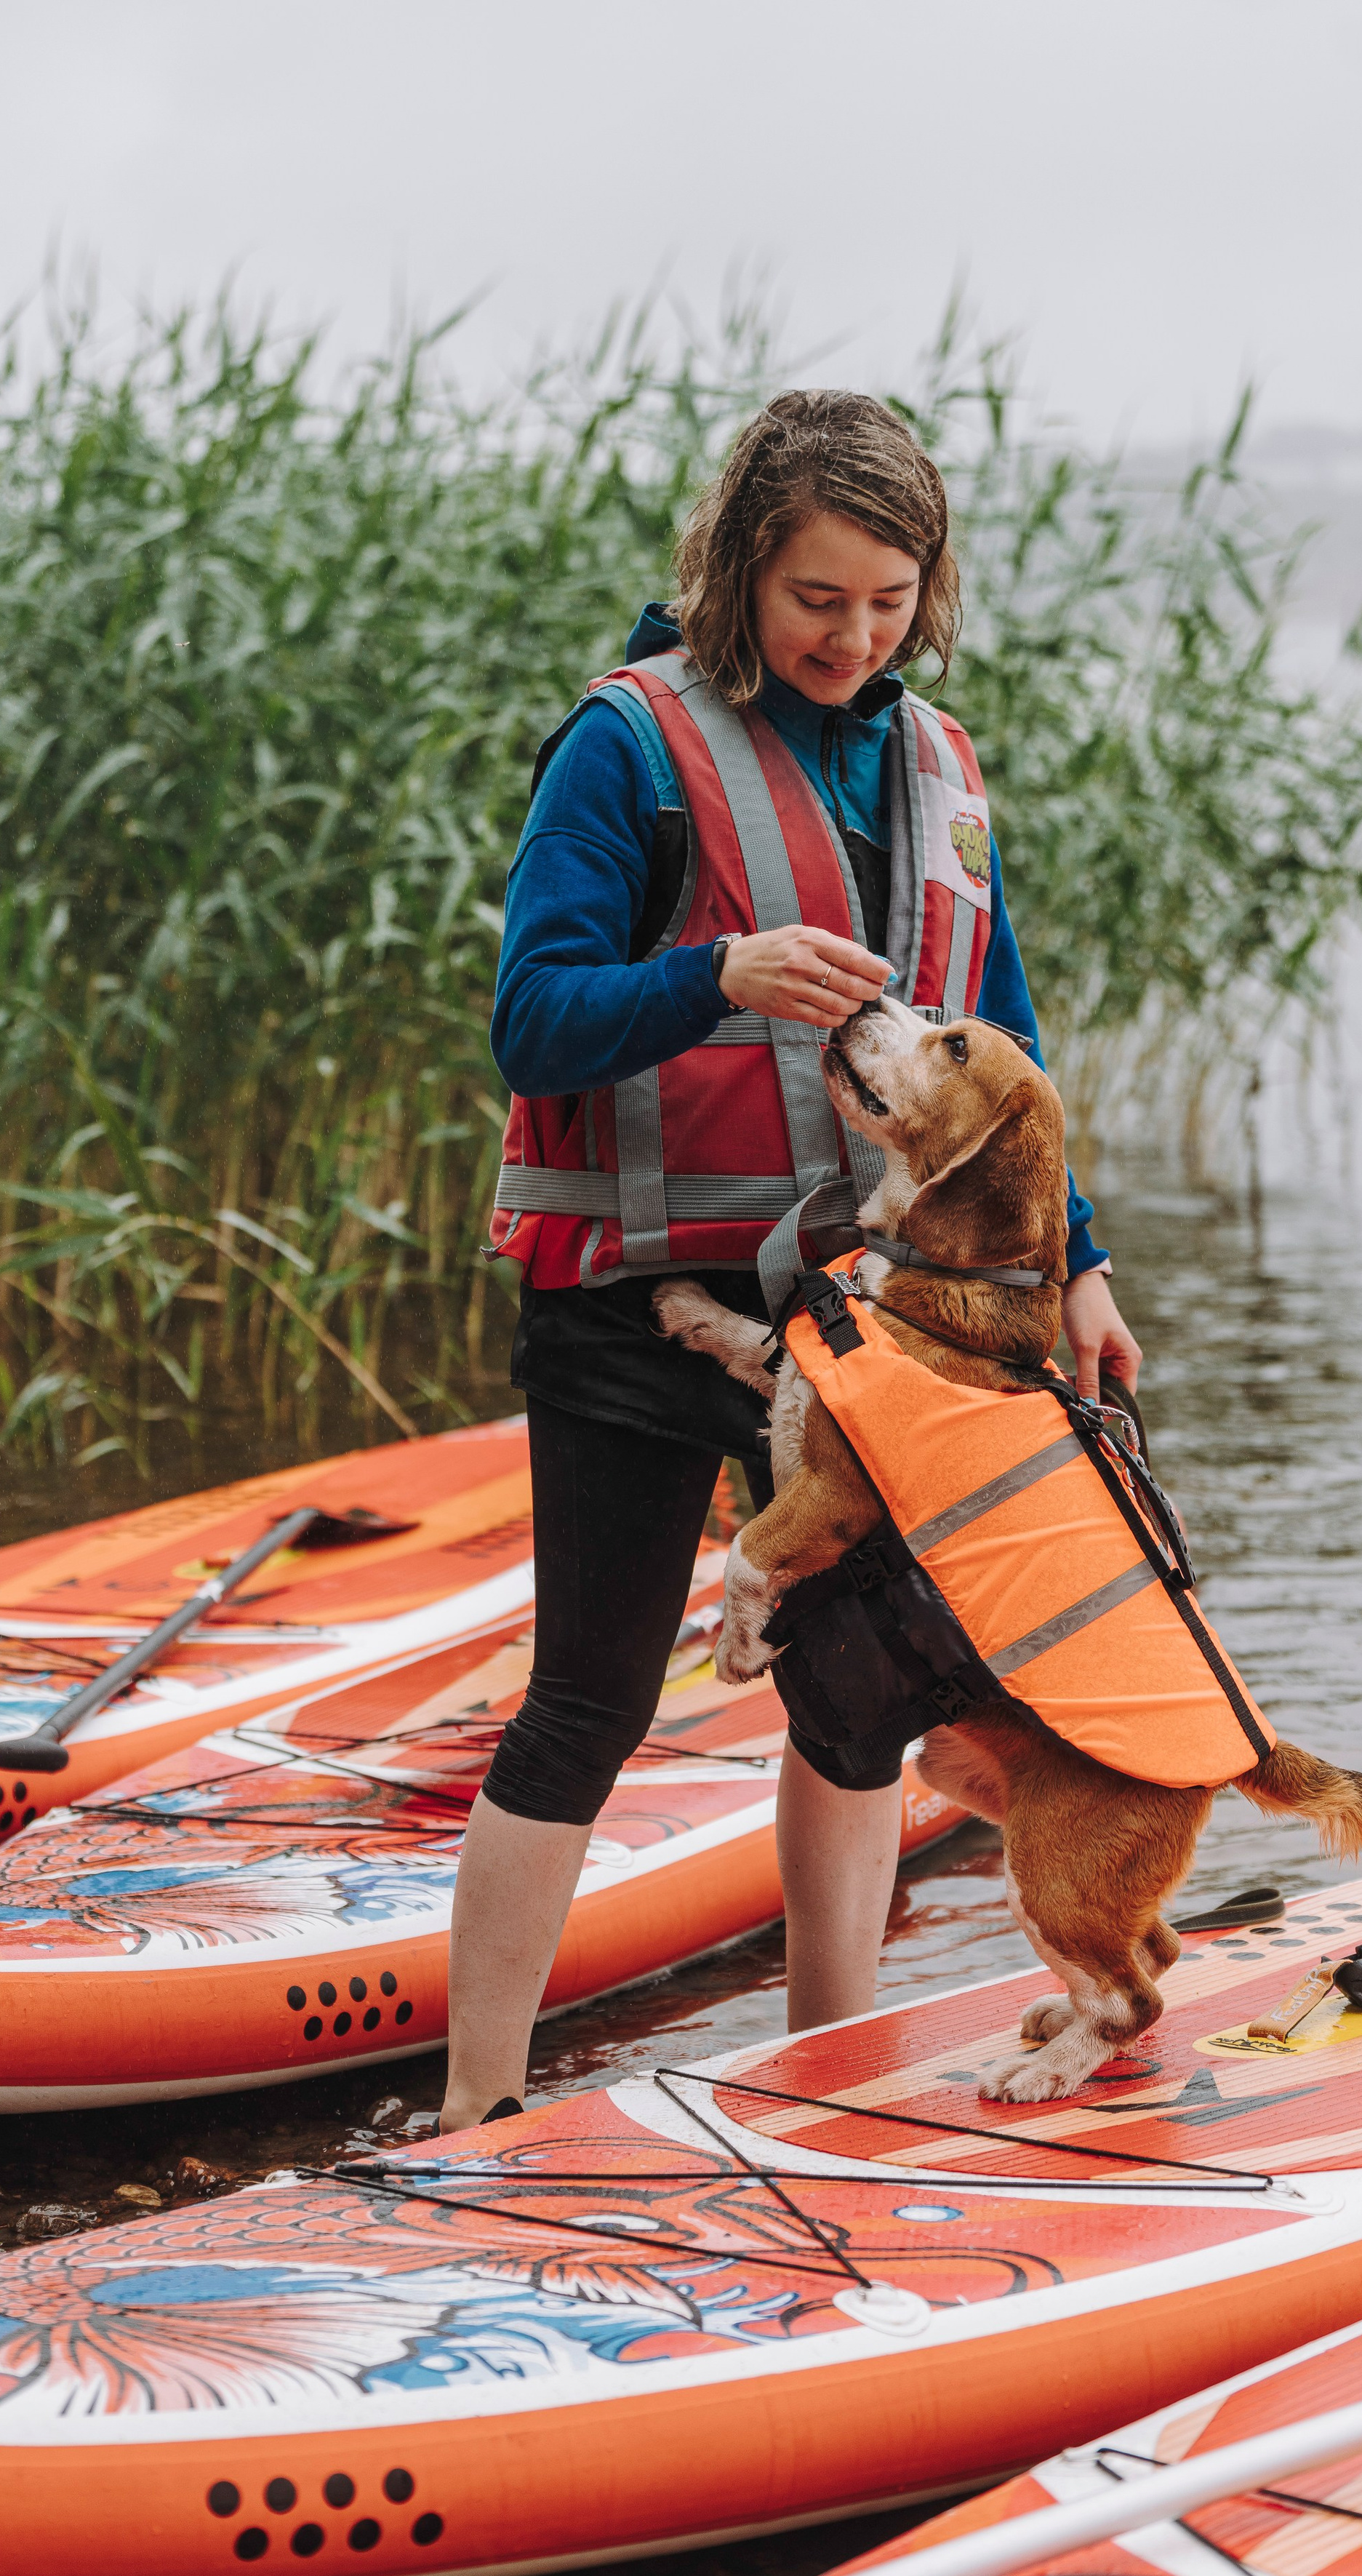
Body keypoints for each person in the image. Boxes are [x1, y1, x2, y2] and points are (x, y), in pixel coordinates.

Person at [440, 390, 1140, 2130]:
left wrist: (1085, 1259)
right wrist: (717, 975)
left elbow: (1000, 1037)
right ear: (745, 563)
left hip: (853, 1318)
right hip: (627, 1298)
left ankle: (835, 2073)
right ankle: (475, 2108)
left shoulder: (939, 764)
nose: (855, 635)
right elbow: (531, 1023)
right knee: (587, 1705)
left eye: (890, 600)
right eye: (819, 597)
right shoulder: (622, 745)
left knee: (851, 1710)